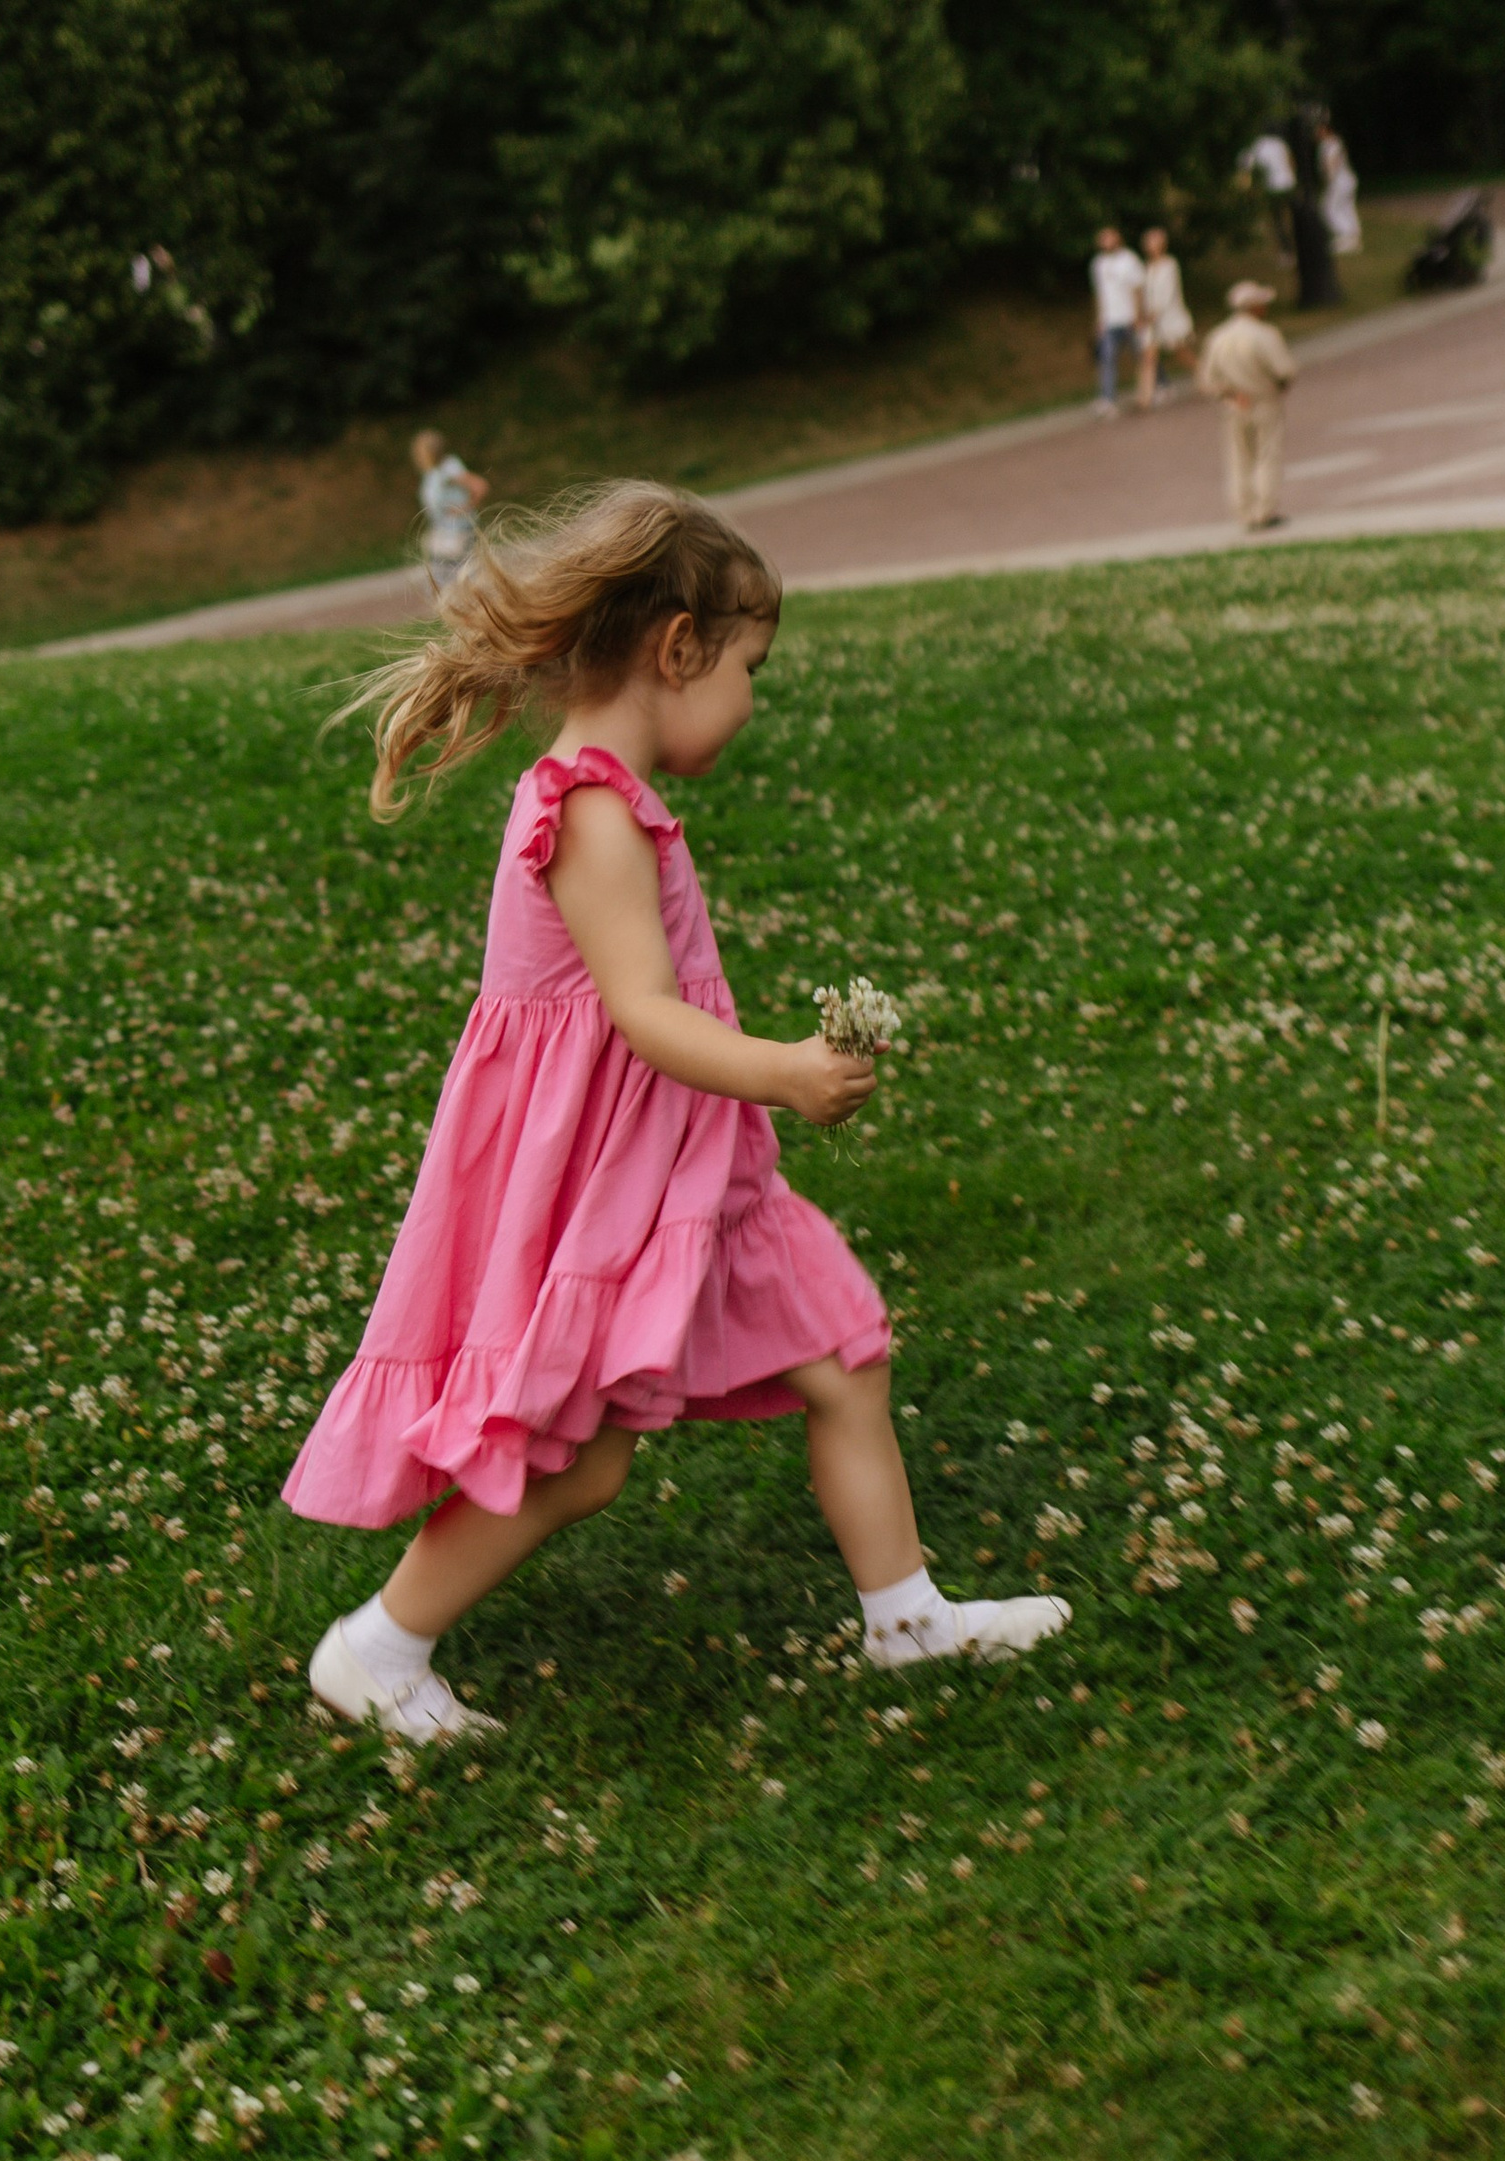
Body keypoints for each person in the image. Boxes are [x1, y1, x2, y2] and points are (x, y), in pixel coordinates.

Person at [281, 482, 1069, 1739]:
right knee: (575, 1458)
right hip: (606, 1183)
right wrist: (787, 1068)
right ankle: (376, 1648)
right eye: (750, 665)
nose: (754, 697)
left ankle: (908, 1619)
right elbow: (644, 1014)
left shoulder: (614, 799)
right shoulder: (587, 811)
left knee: (841, 1350)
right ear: (678, 649)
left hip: (688, 1167)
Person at [1198, 279, 1296, 535]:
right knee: (1267, 455)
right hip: (1264, 400)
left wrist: (1228, 394)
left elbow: (1207, 380)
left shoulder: (1218, 336)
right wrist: (1280, 385)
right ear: (1254, 307)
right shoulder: (1265, 334)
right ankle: (1264, 510)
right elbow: (1284, 370)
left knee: (1239, 459)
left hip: (1233, 404)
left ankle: (1244, 511)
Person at [413, 430, 489, 591]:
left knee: (461, 575)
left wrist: (463, 509)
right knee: (444, 577)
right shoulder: (432, 473)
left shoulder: (448, 468)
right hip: (444, 532)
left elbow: (479, 486)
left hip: (459, 532)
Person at [1136, 227, 1195, 410]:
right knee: (1149, 356)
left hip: (1168, 318)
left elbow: (1169, 292)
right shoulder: (1147, 267)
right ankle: (1144, 398)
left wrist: (1156, 311)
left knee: (1182, 354)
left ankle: (1208, 378)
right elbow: (1144, 292)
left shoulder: (1170, 265)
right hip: (1152, 321)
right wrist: (1144, 313)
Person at [1088, 226, 1144, 416]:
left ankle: (1161, 384)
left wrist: (1138, 315)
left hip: (1129, 317)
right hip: (1110, 320)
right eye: (1103, 238)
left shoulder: (1129, 260)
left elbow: (1137, 288)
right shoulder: (1098, 264)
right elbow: (1100, 294)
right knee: (1107, 358)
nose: (1106, 241)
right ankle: (1108, 399)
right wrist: (1100, 319)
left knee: (1142, 355)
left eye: (1109, 237)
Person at [1240, 131, 1298, 259]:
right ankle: (1299, 247)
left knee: (1278, 221)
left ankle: (1287, 251)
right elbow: (1291, 160)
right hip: (1288, 183)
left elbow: (1247, 166)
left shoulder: (1257, 145)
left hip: (1274, 187)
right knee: (1293, 217)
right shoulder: (1280, 142)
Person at [1316, 114, 1362, 256]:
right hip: (1346, 180)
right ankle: (1354, 237)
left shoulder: (1330, 143)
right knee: (1346, 208)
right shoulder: (1335, 142)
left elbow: (1332, 163)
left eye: (1318, 129)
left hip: (1339, 182)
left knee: (1327, 209)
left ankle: (1346, 236)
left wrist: (1329, 179)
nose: (1316, 133)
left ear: (1325, 129)